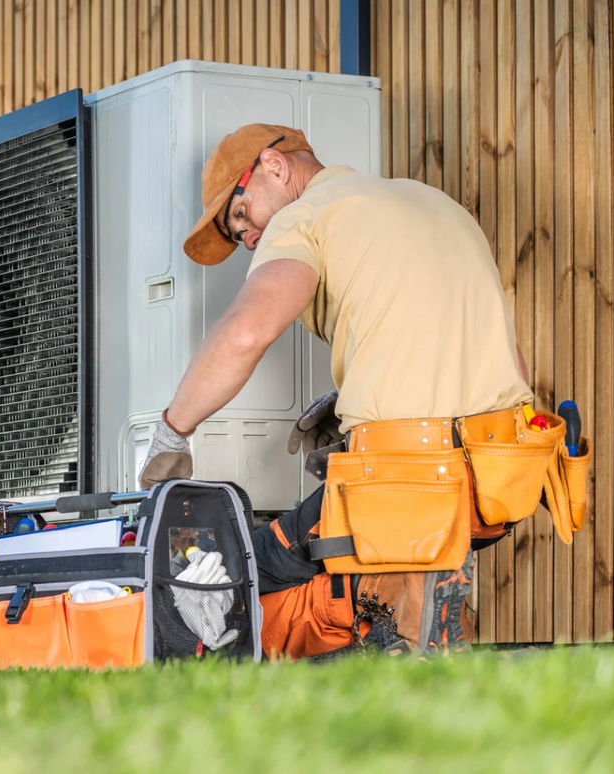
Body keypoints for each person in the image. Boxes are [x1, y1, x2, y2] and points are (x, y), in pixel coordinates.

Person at [137, 123, 536, 660]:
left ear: (273, 168)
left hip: (405, 481)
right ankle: (413, 615)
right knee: (355, 551)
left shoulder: (306, 216)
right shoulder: (434, 203)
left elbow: (246, 332)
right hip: (498, 480)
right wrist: (362, 400)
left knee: (238, 566)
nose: (249, 239)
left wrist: (172, 431)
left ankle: (388, 635)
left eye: (240, 216)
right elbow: (509, 361)